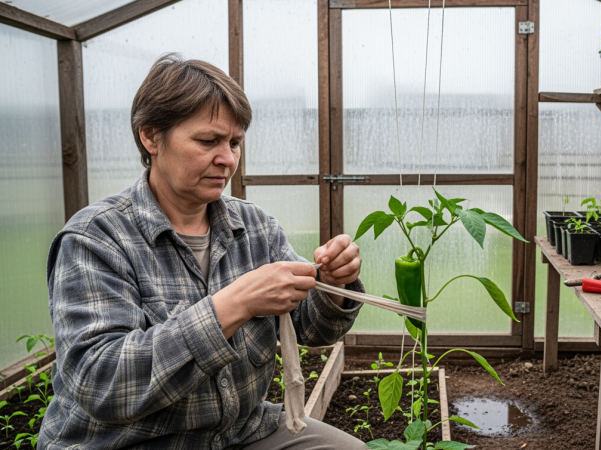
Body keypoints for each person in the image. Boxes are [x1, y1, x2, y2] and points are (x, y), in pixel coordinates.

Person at [40, 54, 367, 449]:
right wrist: (235, 304)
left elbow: (314, 329)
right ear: (150, 136)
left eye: (235, 142)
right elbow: (102, 383)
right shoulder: (95, 239)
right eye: (207, 140)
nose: (227, 159)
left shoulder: (256, 227)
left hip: (239, 430)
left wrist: (333, 284)